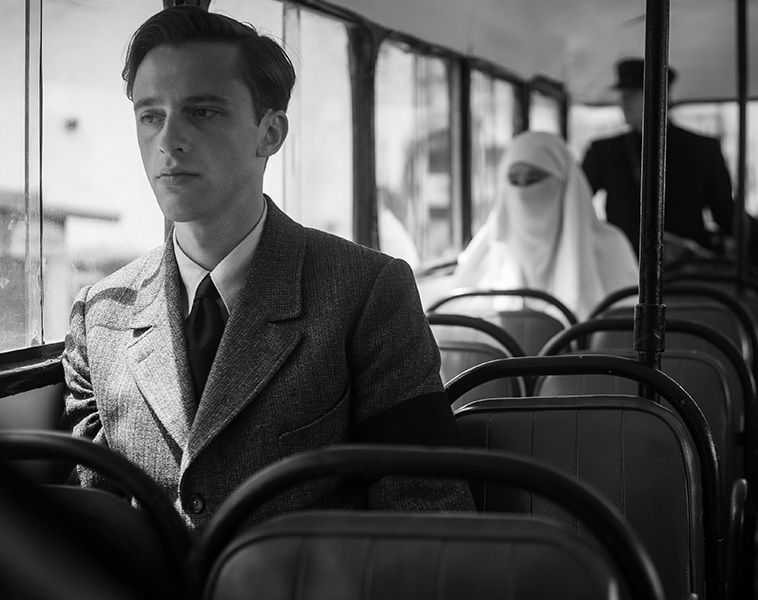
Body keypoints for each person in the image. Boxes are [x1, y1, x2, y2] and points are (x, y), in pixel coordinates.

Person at [60, 5, 473, 536]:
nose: (168, 140)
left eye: (202, 111)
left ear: (270, 133)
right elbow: (93, 522)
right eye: (150, 116)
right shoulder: (100, 316)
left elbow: (425, 515)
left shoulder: (367, 292)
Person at [581, 57, 758, 271]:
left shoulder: (701, 149)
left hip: (687, 268)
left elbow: (725, 213)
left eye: (633, 94)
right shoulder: (604, 152)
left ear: (662, 95)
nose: (624, 102)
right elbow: (578, 200)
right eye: (623, 95)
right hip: (624, 267)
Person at [451, 130, 639, 320]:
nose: (522, 194)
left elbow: (625, 328)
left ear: (565, 183)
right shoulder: (489, 250)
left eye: (534, 180)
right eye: (513, 181)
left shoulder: (611, 249)